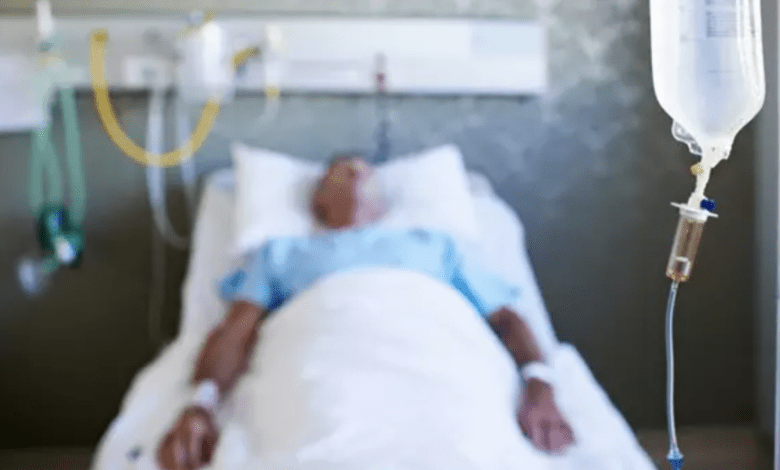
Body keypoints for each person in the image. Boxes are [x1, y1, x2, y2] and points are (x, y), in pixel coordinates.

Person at [157, 155, 575, 470]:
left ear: (385, 202)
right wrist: (201, 405)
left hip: (436, 354)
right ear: (319, 201)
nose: (357, 175)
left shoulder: (437, 246)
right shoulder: (280, 253)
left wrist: (539, 383)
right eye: (341, 172)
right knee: (324, 429)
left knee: (464, 437)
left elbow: (506, 318)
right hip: (325, 356)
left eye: (366, 171)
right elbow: (236, 329)